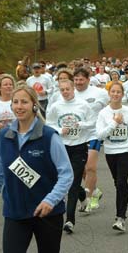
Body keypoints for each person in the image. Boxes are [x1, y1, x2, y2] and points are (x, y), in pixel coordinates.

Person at [0, 85, 73, 253]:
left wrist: (50, 200)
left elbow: (66, 174)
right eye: (15, 102)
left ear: (34, 105)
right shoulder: (4, 136)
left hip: (47, 213)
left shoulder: (49, 136)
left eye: (24, 102)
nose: (19, 106)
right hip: (15, 212)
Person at [96, 82, 128, 232]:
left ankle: (120, 218)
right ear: (109, 94)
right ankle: (127, 195)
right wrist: (114, 123)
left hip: (126, 149)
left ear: (122, 94)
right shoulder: (103, 113)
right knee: (117, 182)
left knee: (120, 181)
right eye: (113, 91)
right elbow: (99, 135)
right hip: (111, 151)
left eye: (118, 92)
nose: (115, 94)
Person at [46, 80, 95, 233]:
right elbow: (49, 123)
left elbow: (92, 122)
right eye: (62, 90)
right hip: (62, 147)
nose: (65, 92)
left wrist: (81, 125)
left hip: (79, 147)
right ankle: (83, 196)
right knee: (64, 180)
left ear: (73, 89)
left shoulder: (83, 105)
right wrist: (60, 130)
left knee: (73, 182)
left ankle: (69, 221)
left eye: (68, 89)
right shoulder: (56, 106)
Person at [73, 67, 109, 212]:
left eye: (81, 79)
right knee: (80, 169)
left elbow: (112, 104)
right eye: (76, 79)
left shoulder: (99, 93)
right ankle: (95, 191)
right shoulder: (71, 94)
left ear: (88, 79)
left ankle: (89, 199)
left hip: (94, 133)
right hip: (76, 136)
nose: (78, 82)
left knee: (90, 167)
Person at [0, 74, 16, 146]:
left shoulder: (17, 102)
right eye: (5, 84)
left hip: (16, 140)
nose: (9, 86)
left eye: (10, 84)